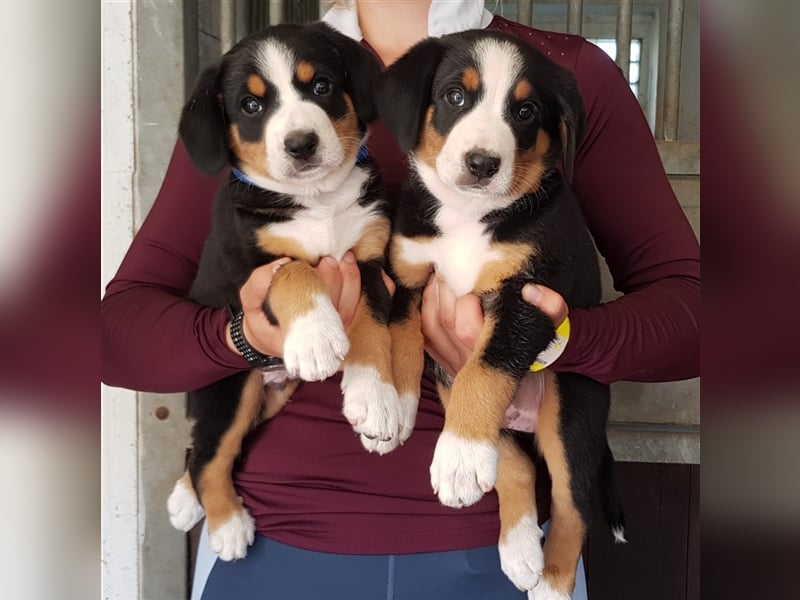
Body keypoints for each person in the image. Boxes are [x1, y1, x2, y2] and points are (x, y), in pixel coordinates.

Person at [101, 1, 700, 598]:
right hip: (272, 539)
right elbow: (118, 334)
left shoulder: (562, 72)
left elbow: (693, 315)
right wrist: (244, 337)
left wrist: (553, 342)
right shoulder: (249, 88)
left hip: (496, 545)